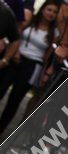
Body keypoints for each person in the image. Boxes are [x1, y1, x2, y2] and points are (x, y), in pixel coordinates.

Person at [0, 0, 59, 136]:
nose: (51, 14)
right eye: (49, 10)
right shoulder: (30, 21)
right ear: (43, 9)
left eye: (55, 12)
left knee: (15, 100)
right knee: (1, 89)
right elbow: (16, 34)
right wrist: (14, 52)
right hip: (17, 59)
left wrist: (44, 73)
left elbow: (47, 56)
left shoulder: (54, 33)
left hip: (32, 66)